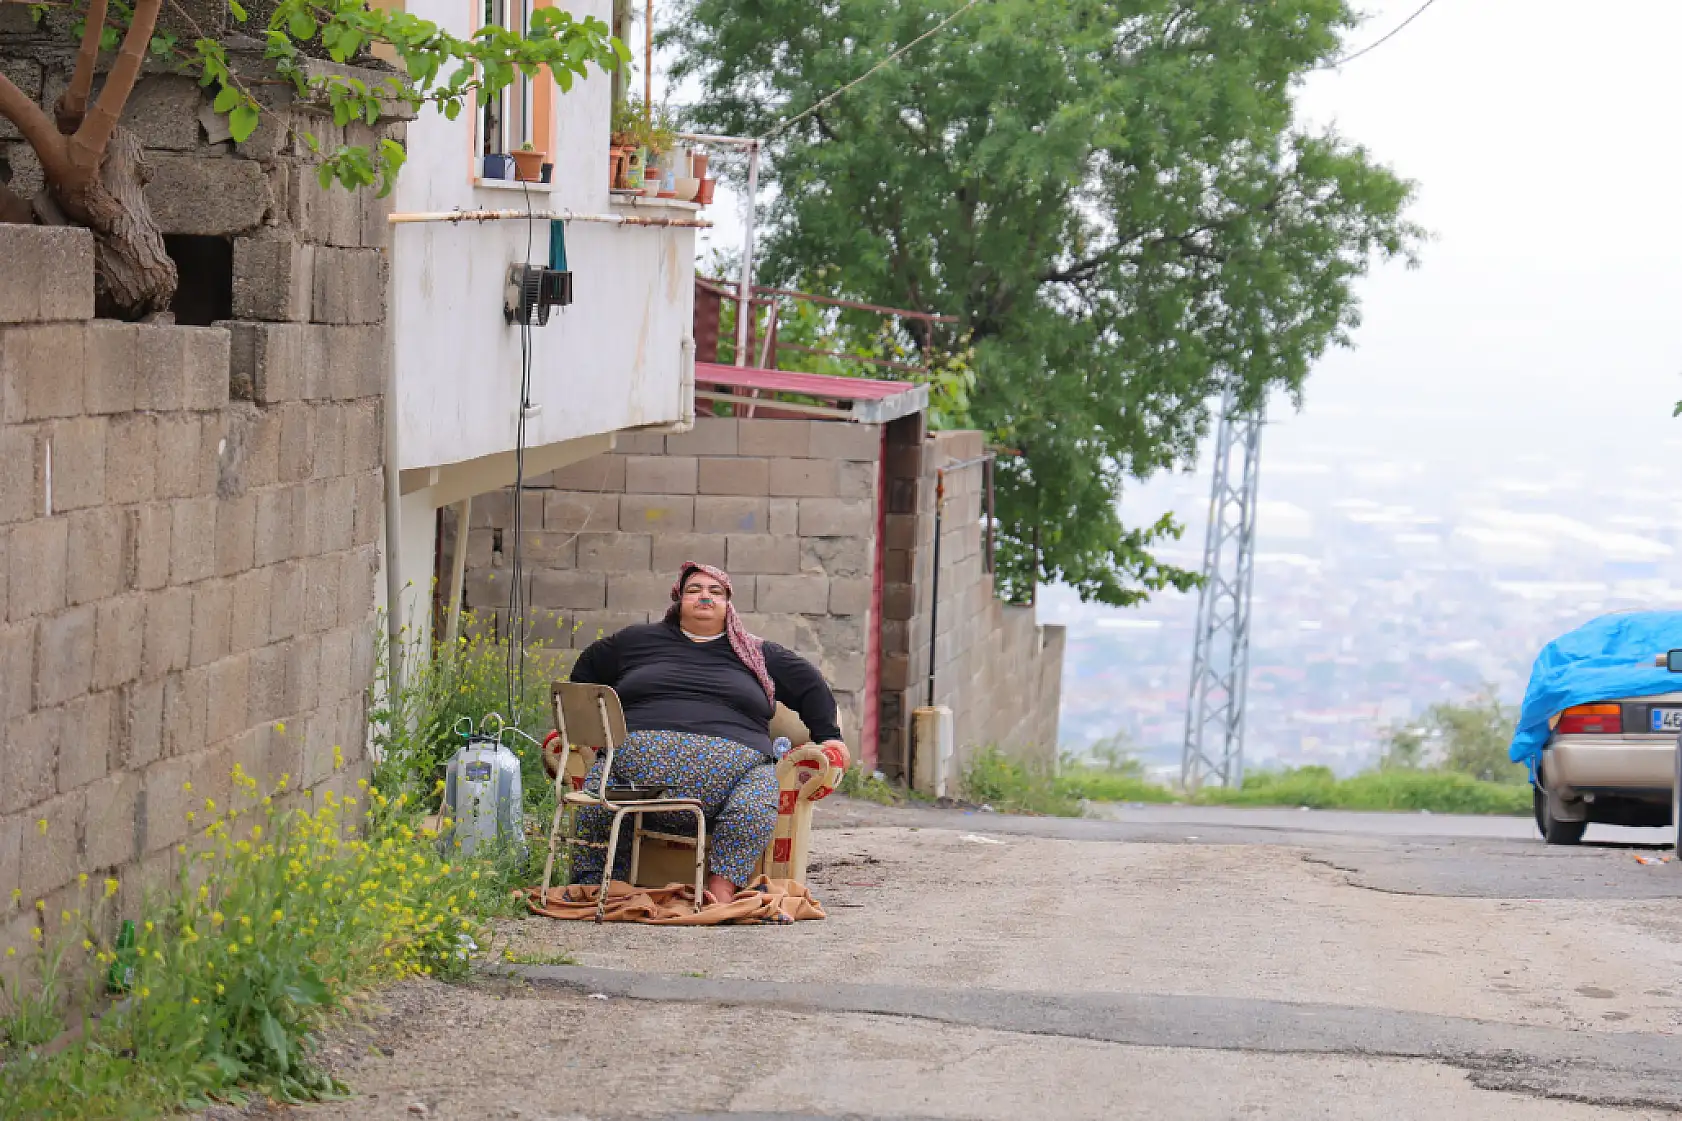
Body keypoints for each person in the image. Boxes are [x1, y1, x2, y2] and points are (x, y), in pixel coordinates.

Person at [567, 561, 849, 904]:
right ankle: (596, 884)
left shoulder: (757, 653)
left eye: (715, 592)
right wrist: (589, 729)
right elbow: (586, 671)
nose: (705, 597)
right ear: (678, 599)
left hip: (735, 770)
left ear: (728, 604)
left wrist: (829, 736)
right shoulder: (636, 641)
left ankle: (721, 887)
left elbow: (810, 686)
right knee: (600, 785)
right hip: (633, 765)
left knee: (758, 794)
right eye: (694, 590)